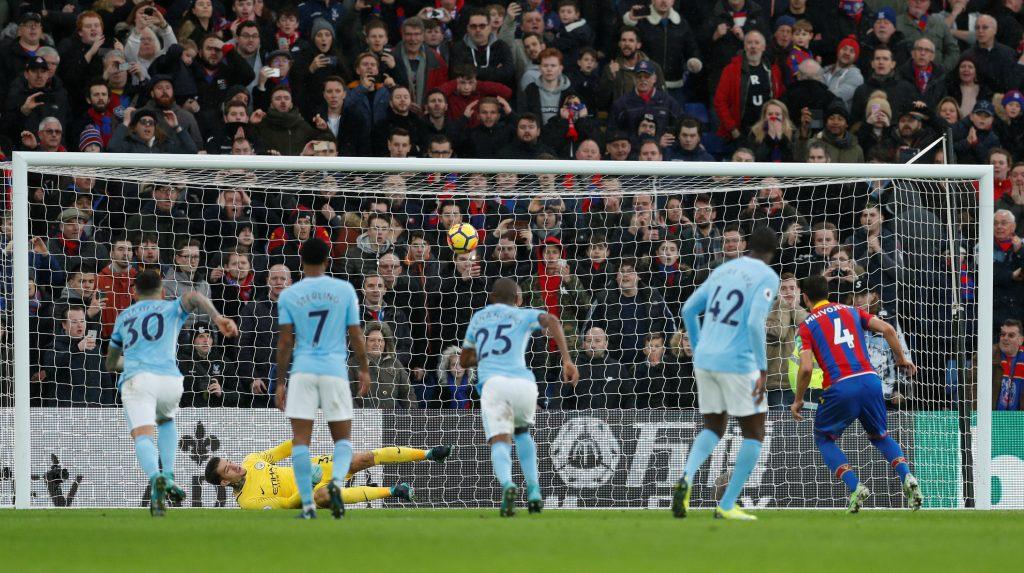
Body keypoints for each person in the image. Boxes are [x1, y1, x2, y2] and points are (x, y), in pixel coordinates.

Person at [104, 269, 238, 516]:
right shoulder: (170, 308)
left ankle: (156, 477)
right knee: (165, 422)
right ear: (163, 292)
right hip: (170, 379)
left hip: (138, 380)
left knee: (142, 435)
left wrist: (130, 361)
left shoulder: (124, 317)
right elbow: (196, 296)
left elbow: (111, 363)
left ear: (134, 293)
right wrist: (217, 318)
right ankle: (169, 475)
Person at [674, 227, 780, 521]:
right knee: (755, 432)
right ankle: (728, 503)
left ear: (747, 246)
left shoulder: (724, 269)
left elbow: (688, 310)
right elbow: (754, 323)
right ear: (772, 252)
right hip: (738, 362)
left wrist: (699, 347)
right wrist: (761, 367)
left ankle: (686, 476)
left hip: (706, 360)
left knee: (713, 427)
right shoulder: (767, 276)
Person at [792, 274, 922, 512]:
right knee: (880, 436)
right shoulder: (851, 311)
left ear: (805, 297)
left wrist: (798, 399)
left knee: (824, 439)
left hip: (840, 386)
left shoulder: (807, 326)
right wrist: (901, 359)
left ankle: (855, 486)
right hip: (871, 381)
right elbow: (888, 329)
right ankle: (907, 476)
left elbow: (807, 367)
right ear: (828, 294)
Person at [459, 278, 578, 516]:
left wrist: (486, 354)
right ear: (518, 300)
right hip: (524, 383)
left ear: (492, 297)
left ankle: (508, 485)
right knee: (522, 434)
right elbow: (552, 320)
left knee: (500, 440)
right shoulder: (522, 315)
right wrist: (566, 359)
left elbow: (464, 361)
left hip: (494, 384)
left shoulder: (478, 318)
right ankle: (534, 491)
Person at [274, 237, 370, 520]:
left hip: (303, 370)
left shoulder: (289, 295)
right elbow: (355, 334)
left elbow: (284, 342)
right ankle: (337, 484)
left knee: (301, 441)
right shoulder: (344, 290)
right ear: (328, 261)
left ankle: (307, 505)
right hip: (335, 371)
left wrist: (280, 381)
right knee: (342, 439)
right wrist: (364, 367)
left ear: (300, 262)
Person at [204, 439, 453, 509]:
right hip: (309, 491)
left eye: (230, 461)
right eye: (228, 469)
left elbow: (281, 451)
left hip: (314, 467)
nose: (235, 466)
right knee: (325, 494)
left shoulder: (252, 460)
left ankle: (429, 454)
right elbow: (286, 504)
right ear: (225, 482)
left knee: (361, 459)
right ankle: (394, 492)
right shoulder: (248, 502)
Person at [994, 319, 1024, 411]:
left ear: (1021, 340)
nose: (1005, 338)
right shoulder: (987, 354)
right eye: (1003, 334)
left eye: (1011, 335)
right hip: (990, 416)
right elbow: (973, 388)